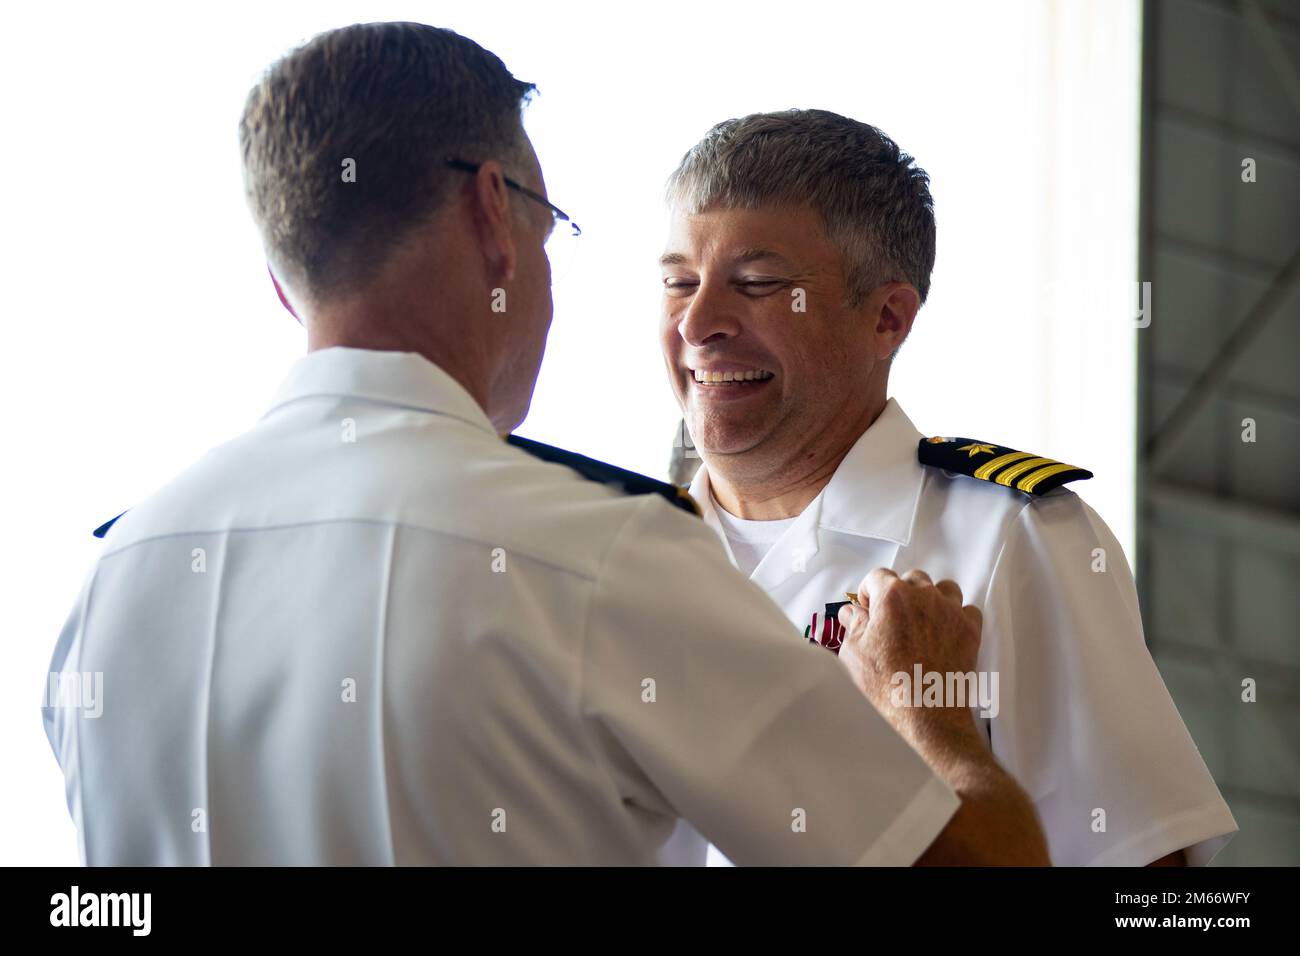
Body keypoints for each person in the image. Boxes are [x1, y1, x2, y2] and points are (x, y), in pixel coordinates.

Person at [41, 22, 1048, 866]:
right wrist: (934, 710)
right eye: (550, 225)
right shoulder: (596, 557)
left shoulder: (111, 587)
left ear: (281, 279)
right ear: (493, 214)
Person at [657, 109, 1238, 867]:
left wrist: (928, 722)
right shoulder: (610, 557)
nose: (698, 323)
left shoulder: (1013, 539)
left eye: (759, 284)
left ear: (888, 317)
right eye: (678, 281)